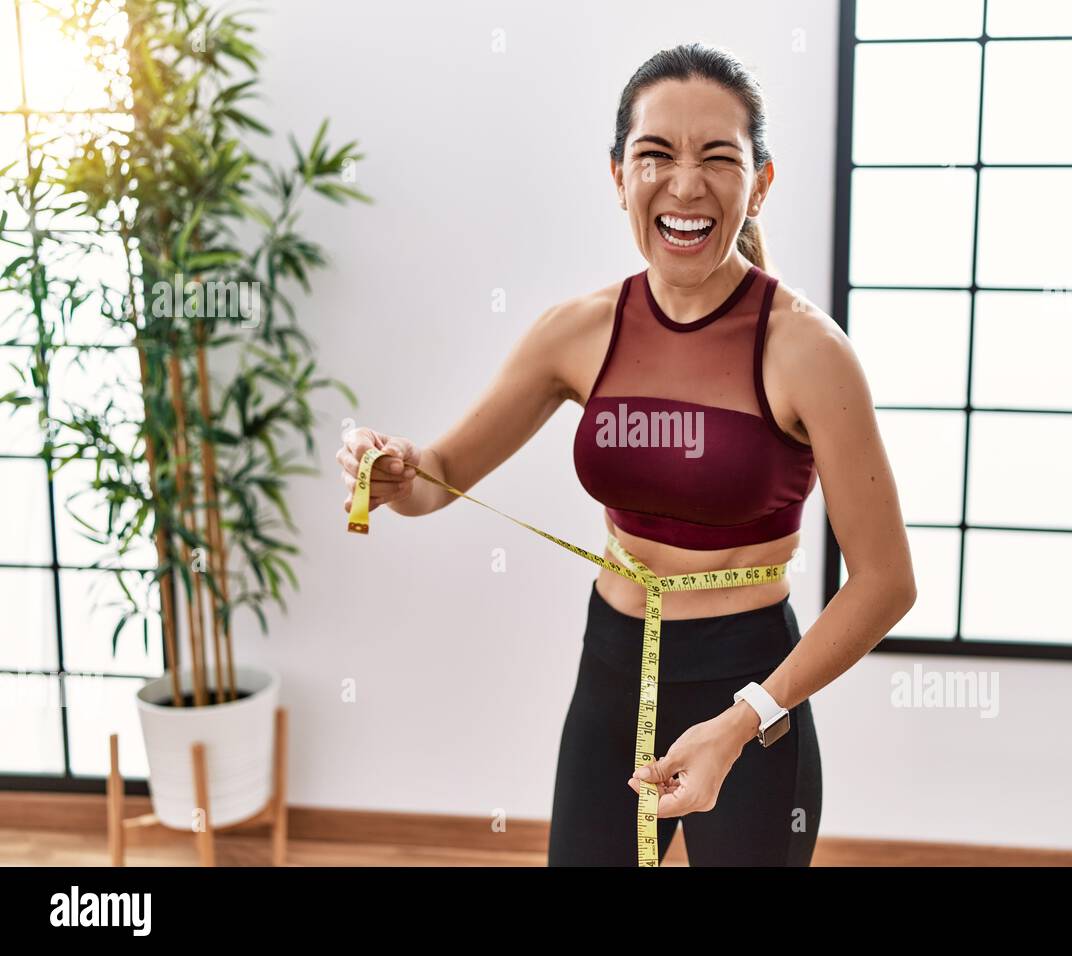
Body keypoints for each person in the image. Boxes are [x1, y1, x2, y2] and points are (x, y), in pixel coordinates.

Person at [335, 42, 916, 866]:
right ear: (618, 175)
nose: (685, 185)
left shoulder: (808, 352)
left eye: (720, 158)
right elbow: (441, 478)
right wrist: (392, 469)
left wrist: (747, 716)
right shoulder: (576, 331)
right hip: (611, 668)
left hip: (751, 679)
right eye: (655, 155)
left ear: (761, 182)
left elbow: (888, 581)